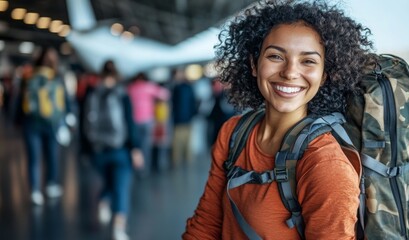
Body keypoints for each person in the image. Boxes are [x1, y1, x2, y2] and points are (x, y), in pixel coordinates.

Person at [183, 0, 374, 239]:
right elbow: (207, 222)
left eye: (308, 61)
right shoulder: (233, 132)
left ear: (324, 75)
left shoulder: (325, 165)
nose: (290, 72)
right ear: (254, 64)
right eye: (276, 56)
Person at [79, 60, 144, 240]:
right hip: (119, 150)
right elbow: (130, 124)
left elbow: (82, 124)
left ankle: (103, 201)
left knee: (109, 181)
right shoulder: (122, 94)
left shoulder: (91, 93)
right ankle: (118, 228)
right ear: (116, 75)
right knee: (121, 186)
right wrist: (136, 148)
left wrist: (84, 151)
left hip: (97, 151)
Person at [19, 47, 69, 205]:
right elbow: (65, 101)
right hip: (52, 123)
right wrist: (66, 120)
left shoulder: (29, 76)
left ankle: (35, 190)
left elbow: (19, 100)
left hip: (31, 122)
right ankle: (51, 184)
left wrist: (16, 120)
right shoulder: (57, 76)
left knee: (33, 158)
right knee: (52, 155)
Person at [127, 72, 170, 175]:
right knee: (146, 146)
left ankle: (135, 168)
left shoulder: (130, 88)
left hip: (134, 121)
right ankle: (144, 169)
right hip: (147, 120)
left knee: (135, 146)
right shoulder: (148, 87)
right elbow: (165, 94)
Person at [171, 68, 198, 168]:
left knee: (177, 142)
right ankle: (187, 159)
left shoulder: (176, 88)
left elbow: (174, 104)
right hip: (188, 119)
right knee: (187, 141)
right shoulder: (189, 87)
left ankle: (176, 160)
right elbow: (193, 103)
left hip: (179, 119)